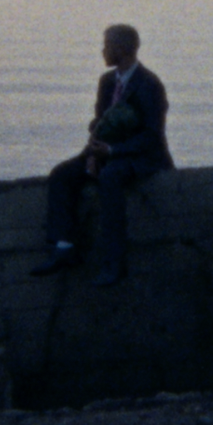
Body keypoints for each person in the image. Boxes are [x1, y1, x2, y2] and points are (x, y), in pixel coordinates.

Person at [31, 23, 172, 287]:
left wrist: (112, 151)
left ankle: (113, 264)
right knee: (62, 174)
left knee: (110, 177)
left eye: (107, 45)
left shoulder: (149, 84)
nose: (103, 51)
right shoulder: (107, 81)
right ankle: (63, 248)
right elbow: (100, 122)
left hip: (141, 156)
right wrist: (93, 153)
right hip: (107, 152)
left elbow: (152, 136)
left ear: (122, 48)